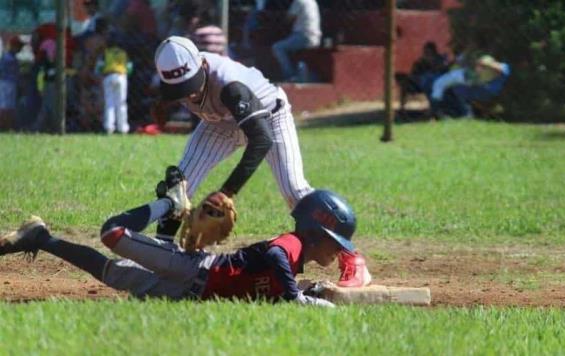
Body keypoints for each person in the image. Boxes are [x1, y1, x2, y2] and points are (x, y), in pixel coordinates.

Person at [151, 36, 371, 287]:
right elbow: (169, 90)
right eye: (179, 89)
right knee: (178, 188)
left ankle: (353, 260)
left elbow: (261, 140)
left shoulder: (230, 86)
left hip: (269, 119)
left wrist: (226, 192)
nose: (188, 92)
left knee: (296, 192)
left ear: (201, 64)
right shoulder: (175, 72)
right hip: (219, 124)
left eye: (190, 84)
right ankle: (161, 257)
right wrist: (162, 103)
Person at [0, 183, 358, 307]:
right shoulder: (292, 244)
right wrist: (297, 297)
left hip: (187, 295)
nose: (339, 250)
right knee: (112, 234)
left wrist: (307, 291)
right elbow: (273, 253)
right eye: (335, 242)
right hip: (193, 268)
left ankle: (41, 237)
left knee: (111, 273)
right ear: (314, 232)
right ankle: (170, 203)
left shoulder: (297, 266)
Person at [431, 55, 510, 118]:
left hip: (488, 92)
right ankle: (469, 113)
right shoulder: (482, 76)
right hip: (478, 90)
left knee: (446, 84)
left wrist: (486, 63)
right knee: (457, 89)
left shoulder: (504, 67)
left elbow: (500, 68)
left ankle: (475, 112)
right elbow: (476, 75)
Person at [271, 0, 321, 81]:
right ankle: (299, 75)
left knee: (277, 47)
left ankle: (290, 76)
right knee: (292, 49)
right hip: (315, 37)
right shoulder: (313, 1)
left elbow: (288, 19)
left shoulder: (299, 1)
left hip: (303, 36)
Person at [98, 34, 131, 134]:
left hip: (108, 76)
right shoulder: (123, 53)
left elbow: (100, 66)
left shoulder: (105, 53)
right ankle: (123, 128)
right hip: (121, 76)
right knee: (121, 103)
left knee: (109, 102)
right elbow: (129, 67)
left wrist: (102, 73)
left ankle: (109, 127)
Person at [0, 36, 24, 131]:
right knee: (5, 106)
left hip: (11, 84)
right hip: (5, 84)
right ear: (13, 46)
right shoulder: (7, 58)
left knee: (10, 106)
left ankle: (8, 126)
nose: (20, 49)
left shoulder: (12, 58)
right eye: (18, 46)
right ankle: (3, 126)